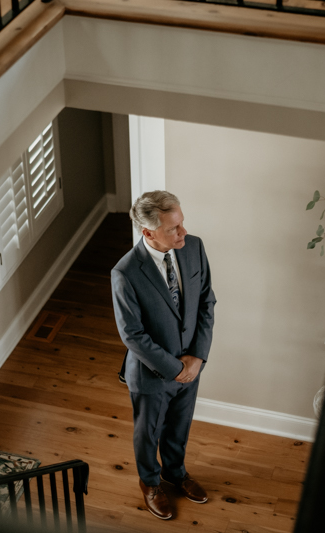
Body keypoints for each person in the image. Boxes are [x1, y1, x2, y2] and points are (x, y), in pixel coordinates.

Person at [111, 190, 216, 520]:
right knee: (149, 432)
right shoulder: (126, 273)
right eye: (173, 228)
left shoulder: (194, 247)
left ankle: (175, 472)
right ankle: (150, 483)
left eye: (182, 223)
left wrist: (197, 358)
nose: (183, 232)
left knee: (180, 426)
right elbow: (133, 335)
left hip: (192, 366)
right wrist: (174, 368)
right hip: (152, 373)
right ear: (148, 232)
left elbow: (206, 304)